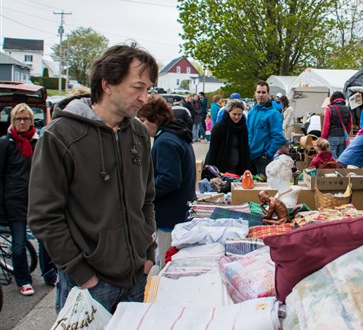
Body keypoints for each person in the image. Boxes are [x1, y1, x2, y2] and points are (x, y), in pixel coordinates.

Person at [28, 43, 159, 314]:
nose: (145, 98)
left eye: (148, 89)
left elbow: (146, 199)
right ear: (108, 84)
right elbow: (44, 216)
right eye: (138, 87)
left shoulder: (138, 133)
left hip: (137, 276)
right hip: (90, 284)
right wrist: (81, 273)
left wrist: (148, 253)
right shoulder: (60, 136)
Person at [0, 103, 57, 296]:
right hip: (14, 200)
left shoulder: (38, 141)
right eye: (18, 119)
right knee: (18, 245)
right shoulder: (4, 143)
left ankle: (49, 274)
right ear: (12, 121)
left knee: (45, 241)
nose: (22, 122)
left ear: (32, 121)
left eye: (26, 119)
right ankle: (23, 280)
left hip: (36, 200)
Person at [137, 96, 196, 268]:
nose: (141, 125)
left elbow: (169, 179)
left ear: (155, 119)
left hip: (169, 214)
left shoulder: (165, 142)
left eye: (143, 120)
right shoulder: (176, 135)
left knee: (166, 262)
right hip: (179, 209)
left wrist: (142, 192)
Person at [247, 80, 286, 176]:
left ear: (268, 94)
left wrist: (267, 154)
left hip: (263, 159)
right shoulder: (251, 112)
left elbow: (278, 137)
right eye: (259, 92)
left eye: (263, 92)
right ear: (255, 93)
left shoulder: (274, 113)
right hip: (249, 157)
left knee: (263, 189)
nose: (261, 95)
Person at [207, 100, 251, 176]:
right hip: (222, 170)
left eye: (239, 114)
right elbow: (213, 151)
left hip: (238, 170)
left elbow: (245, 149)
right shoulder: (219, 128)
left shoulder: (243, 127)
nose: (237, 117)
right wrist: (212, 172)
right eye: (234, 114)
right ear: (228, 112)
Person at [321, 91, 352, 159]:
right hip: (343, 137)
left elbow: (326, 125)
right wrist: (346, 134)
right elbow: (349, 125)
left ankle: (334, 169)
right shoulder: (347, 109)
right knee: (341, 158)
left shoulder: (329, 109)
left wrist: (323, 137)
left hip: (332, 137)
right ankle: (341, 169)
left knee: (332, 158)